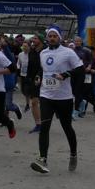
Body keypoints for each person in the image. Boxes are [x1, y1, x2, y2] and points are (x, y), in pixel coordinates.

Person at [30, 26, 83, 175]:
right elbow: (44, 69)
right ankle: (43, 159)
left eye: (55, 36)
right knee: (44, 127)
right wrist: (39, 76)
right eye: (50, 36)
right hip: (46, 95)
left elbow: (80, 69)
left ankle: (73, 154)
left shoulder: (68, 52)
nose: (52, 38)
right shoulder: (43, 53)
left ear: (59, 38)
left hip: (64, 97)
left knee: (67, 127)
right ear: (47, 38)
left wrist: (65, 74)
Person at [18, 34, 43, 132]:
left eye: (35, 38)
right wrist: (28, 78)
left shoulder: (46, 50)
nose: (33, 40)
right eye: (33, 38)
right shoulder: (32, 51)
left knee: (46, 103)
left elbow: (43, 66)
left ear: (41, 40)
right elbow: (29, 66)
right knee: (34, 102)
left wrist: (39, 75)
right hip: (33, 80)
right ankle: (38, 124)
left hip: (45, 79)